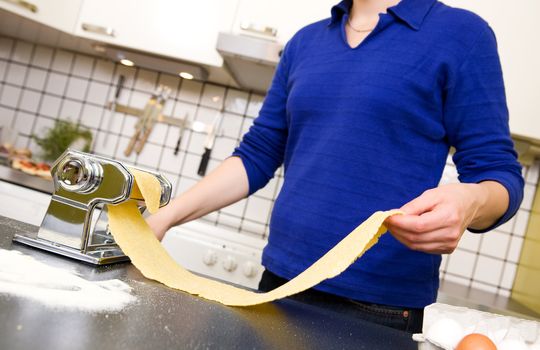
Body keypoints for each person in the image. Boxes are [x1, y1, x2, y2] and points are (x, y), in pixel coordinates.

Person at [147, 0, 524, 333]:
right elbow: (258, 153)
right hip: (278, 287)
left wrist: (469, 201)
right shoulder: (305, 42)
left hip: (379, 310)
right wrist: (166, 216)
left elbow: (499, 173)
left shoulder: (462, 35)